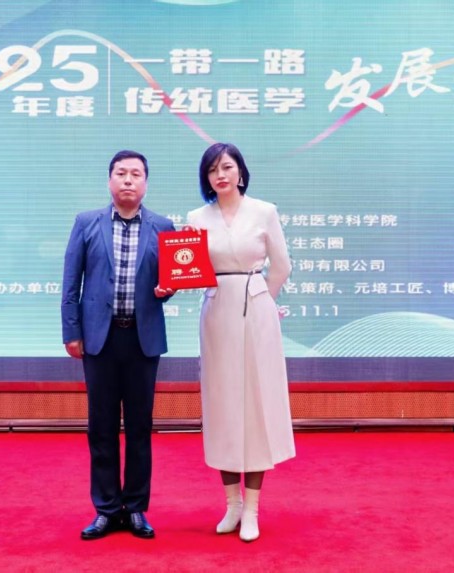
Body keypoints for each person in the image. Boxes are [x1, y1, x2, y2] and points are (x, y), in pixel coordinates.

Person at [61, 149, 175, 541]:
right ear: (110, 180)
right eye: (121, 173)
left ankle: (137, 508)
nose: (128, 180)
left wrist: (167, 290)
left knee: (140, 427)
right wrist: (71, 331)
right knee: (102, 427)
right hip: (100, 339)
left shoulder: (163, 226)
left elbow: (171, 281)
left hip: (142, 340)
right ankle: (107, 509)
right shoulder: (86, 223)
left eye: (136, 174)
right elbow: (71, 282)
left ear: (146, 183)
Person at [186, 142, 295, 542]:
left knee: (256, 404)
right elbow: (189, 268)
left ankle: (251, 509)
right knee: (223, 407)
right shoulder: (196, 218)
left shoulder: (264, 211)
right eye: (213, 169)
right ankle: (231, 505)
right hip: (217, 313)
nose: (221, 175)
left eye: (227, 167)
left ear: (241, 172)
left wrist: (264, 298)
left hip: (256, 310)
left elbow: (281, 266)